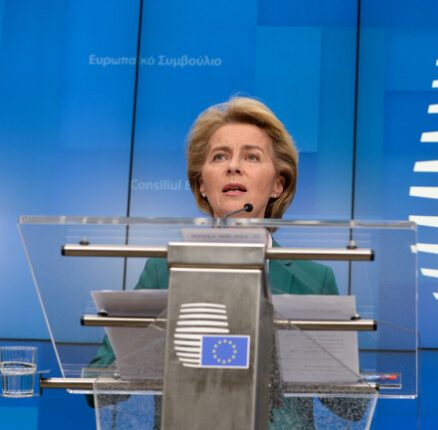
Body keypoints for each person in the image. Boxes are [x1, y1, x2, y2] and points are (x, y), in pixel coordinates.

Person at [88, 97, 345, 428]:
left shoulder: (313, 278)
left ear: (277, 184)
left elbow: (344, 405)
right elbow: (97, 383)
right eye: (220, 156)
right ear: (202, 185)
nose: (233, 167)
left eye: (251, 156)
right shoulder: (164, 269)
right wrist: (152, 348)